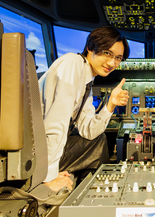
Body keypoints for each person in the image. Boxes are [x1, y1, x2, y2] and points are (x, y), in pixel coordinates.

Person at [39, 26, 130, 192]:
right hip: (35, 148)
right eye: (107, 53)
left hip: (42, 146)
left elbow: (89, 132)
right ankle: (94, 194)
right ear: (90, 47)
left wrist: (110, 105)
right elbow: (56, 124)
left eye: (118, 58)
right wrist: (49, 177)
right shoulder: (72, 63)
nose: (112, 63)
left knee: (99, 140)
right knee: (98, 143)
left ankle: (91, 192)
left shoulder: (86, 83)